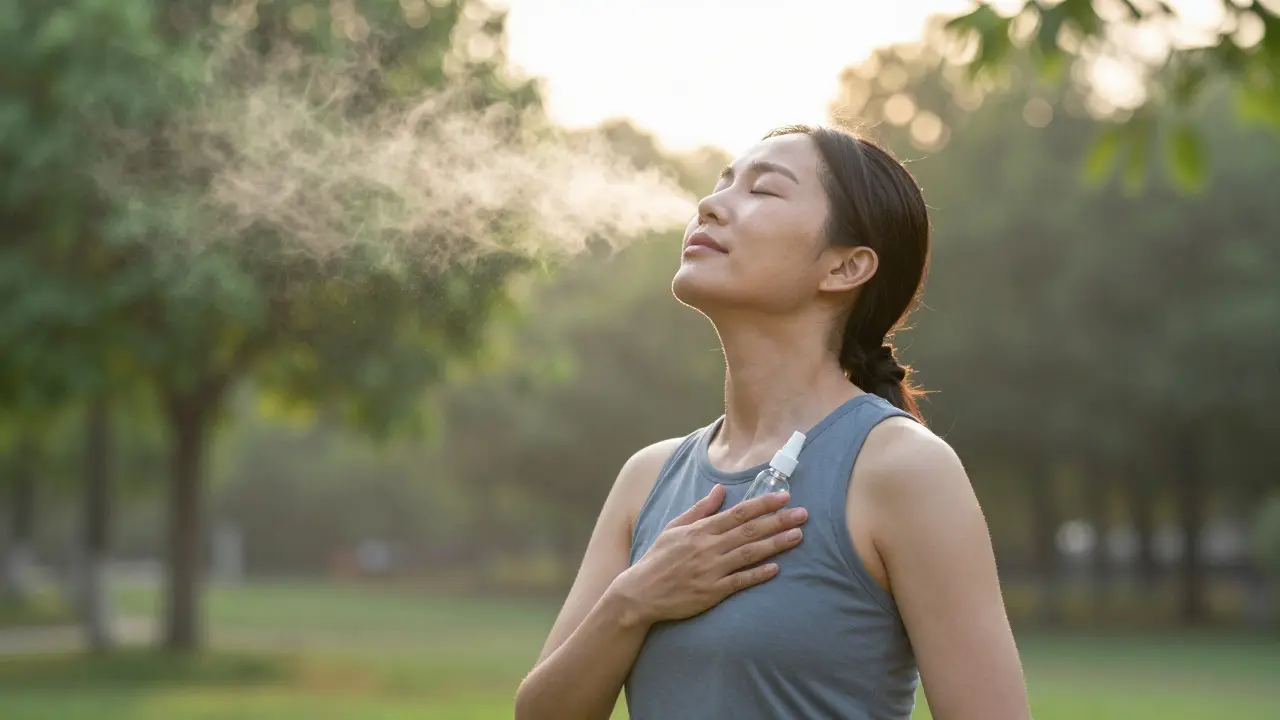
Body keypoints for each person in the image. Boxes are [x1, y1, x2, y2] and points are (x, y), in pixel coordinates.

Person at [514, 125, 1030, 719]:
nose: (710, 204)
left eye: (762, 191)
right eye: (722, 183)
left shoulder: (904, 469)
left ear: (845, 267)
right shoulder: (647, 477)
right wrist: (634, 600)